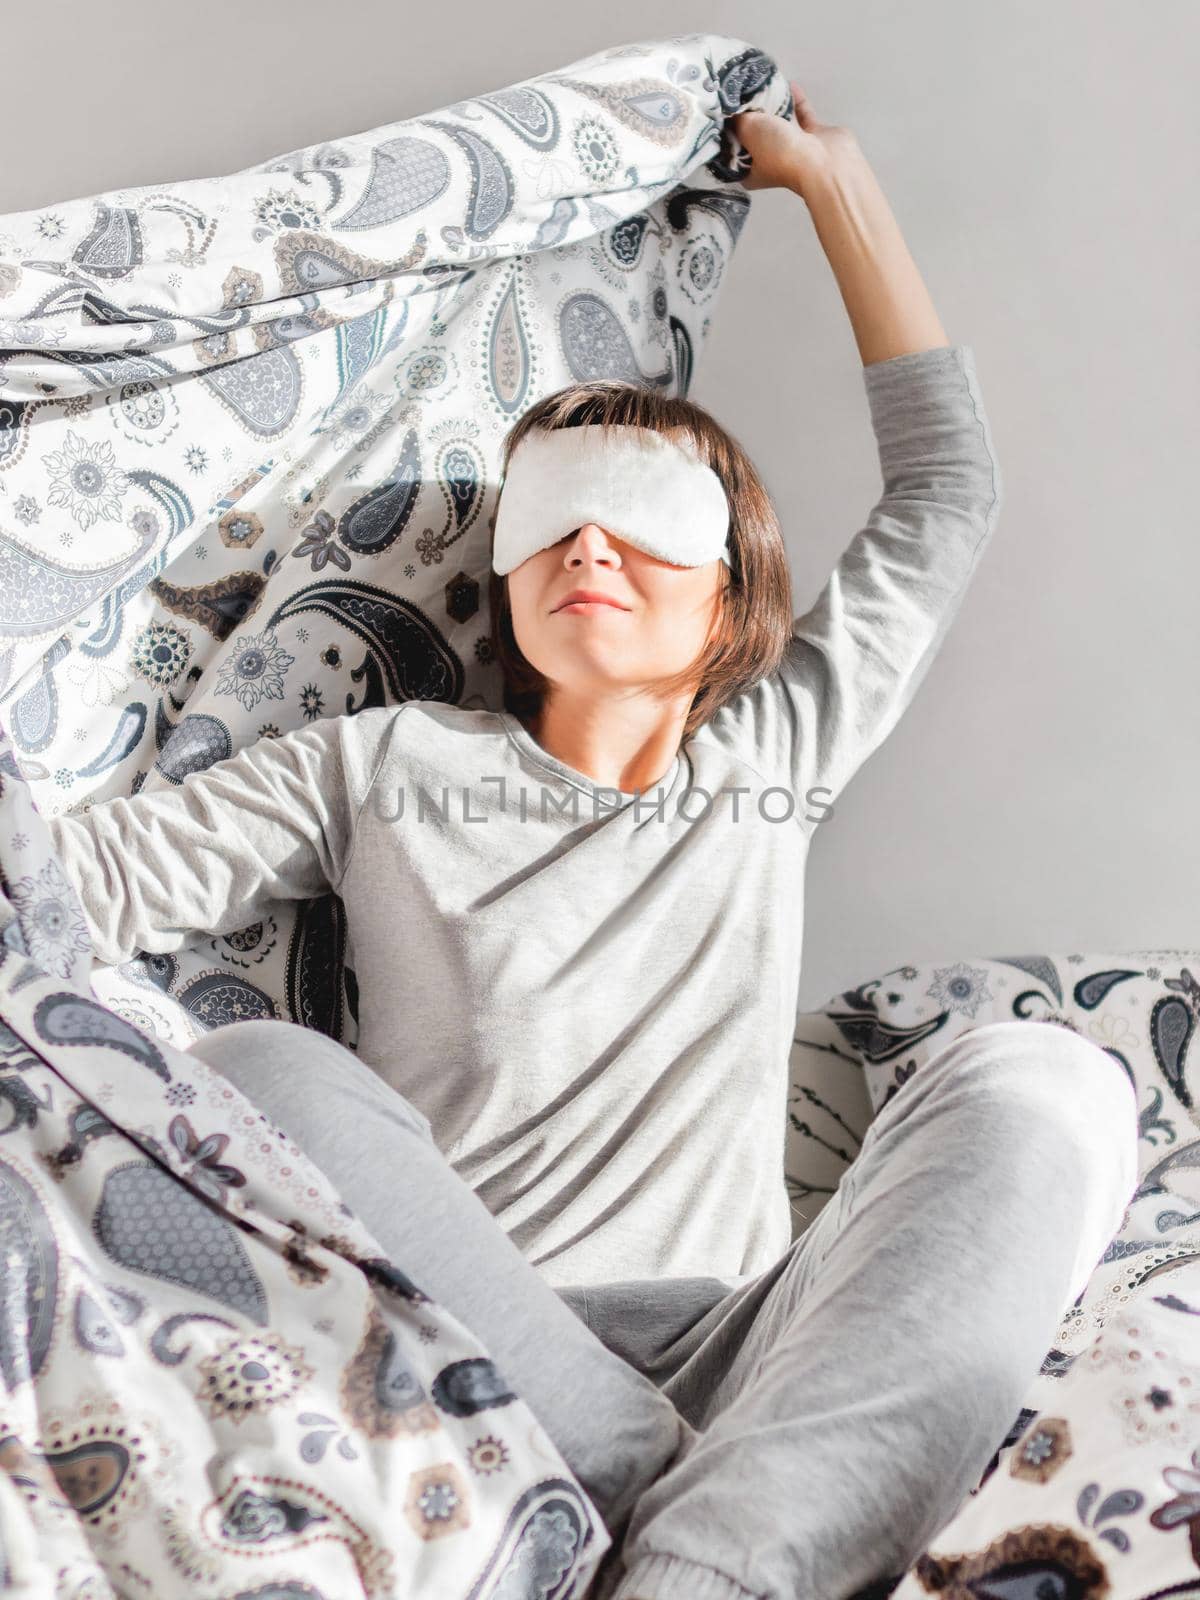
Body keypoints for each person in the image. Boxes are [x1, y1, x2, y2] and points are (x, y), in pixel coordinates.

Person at [46, 82, 1138, 1600]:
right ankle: (666, 1507)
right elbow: (76, 884)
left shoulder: (771, 751)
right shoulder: (384, 766)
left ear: (728, 592)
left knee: (1052, 1080)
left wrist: (837, 191)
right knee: (259, 1072)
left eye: (643, 515)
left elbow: (948, 496)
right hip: (481, 1349)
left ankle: (693, 1555)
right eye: (555, 516)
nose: (593, 543)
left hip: (756, 1351)